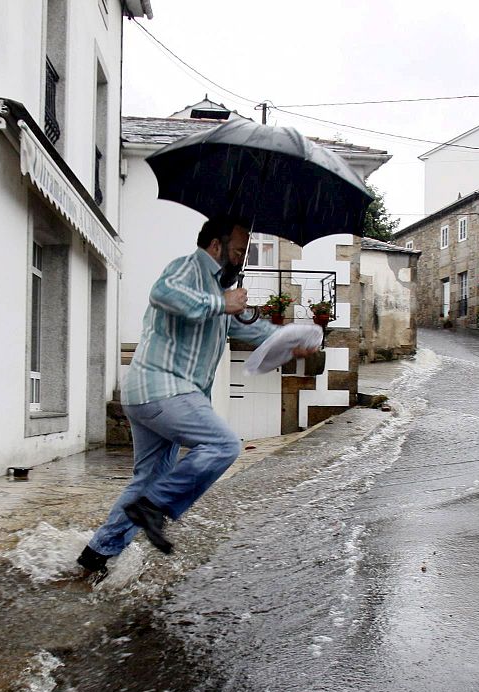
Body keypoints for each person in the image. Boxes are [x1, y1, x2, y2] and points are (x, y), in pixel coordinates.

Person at [77, 215, 315, 579]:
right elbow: (163, 294)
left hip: (152, 395)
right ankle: (153, 509)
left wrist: (290, 342)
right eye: (238, 252)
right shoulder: (187, 268)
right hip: (163, 389)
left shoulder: (218, 290)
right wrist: (221, 302)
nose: (242, 260)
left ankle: (97, 553)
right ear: (215, 247)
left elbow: (248, 327)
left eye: (245, 253)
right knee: (222, 445)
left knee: (147, 481)